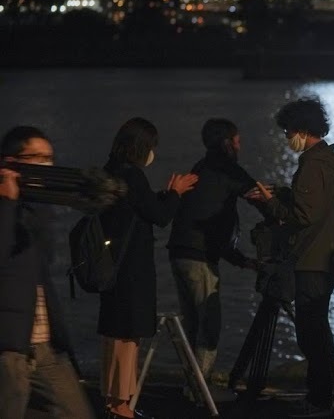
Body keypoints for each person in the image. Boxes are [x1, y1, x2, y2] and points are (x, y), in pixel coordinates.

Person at [247, 97, 334, 419]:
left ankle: (319, 400)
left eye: (289, 131)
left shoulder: (314, 165)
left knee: (312, 332)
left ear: (302, 130)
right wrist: (282, 196)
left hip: (311, 261)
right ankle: (321, 395)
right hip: (321, 257)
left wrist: (269, 203)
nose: (287, 138)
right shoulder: (322, 162)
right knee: (316, 330)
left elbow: (304, 215)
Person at [99, 118, 197, 419]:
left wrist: (165, 196)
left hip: (112, 263)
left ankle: (116, 400)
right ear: (142, 147)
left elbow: (138, 208)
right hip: (132, 267)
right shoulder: (133, 176)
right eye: (151, 146)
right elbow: (159, 216)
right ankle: (120, 404)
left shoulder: (110, 170)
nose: (153, 153)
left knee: (117, 332)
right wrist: (177, 193)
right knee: (129, 334)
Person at [0, 126, 94, 419]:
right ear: (11, 162)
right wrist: (7, 202)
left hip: (41, 342)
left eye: (49, 158)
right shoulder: (7, 206)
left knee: (74, 411)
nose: (46, 165)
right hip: (8, 346)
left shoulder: (35, 210)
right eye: (36, 157)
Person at [167, 118, 259, 398]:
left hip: (179, 252)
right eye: (237, 140)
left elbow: (210, 222)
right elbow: (256, 193)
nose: (240, 145)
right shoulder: (226, 169)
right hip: (199, 257)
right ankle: (201, 391)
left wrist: (241, 260)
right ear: (227, 143)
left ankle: (191, 386)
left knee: (192, 324)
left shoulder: (202, 167)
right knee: (209, 325)